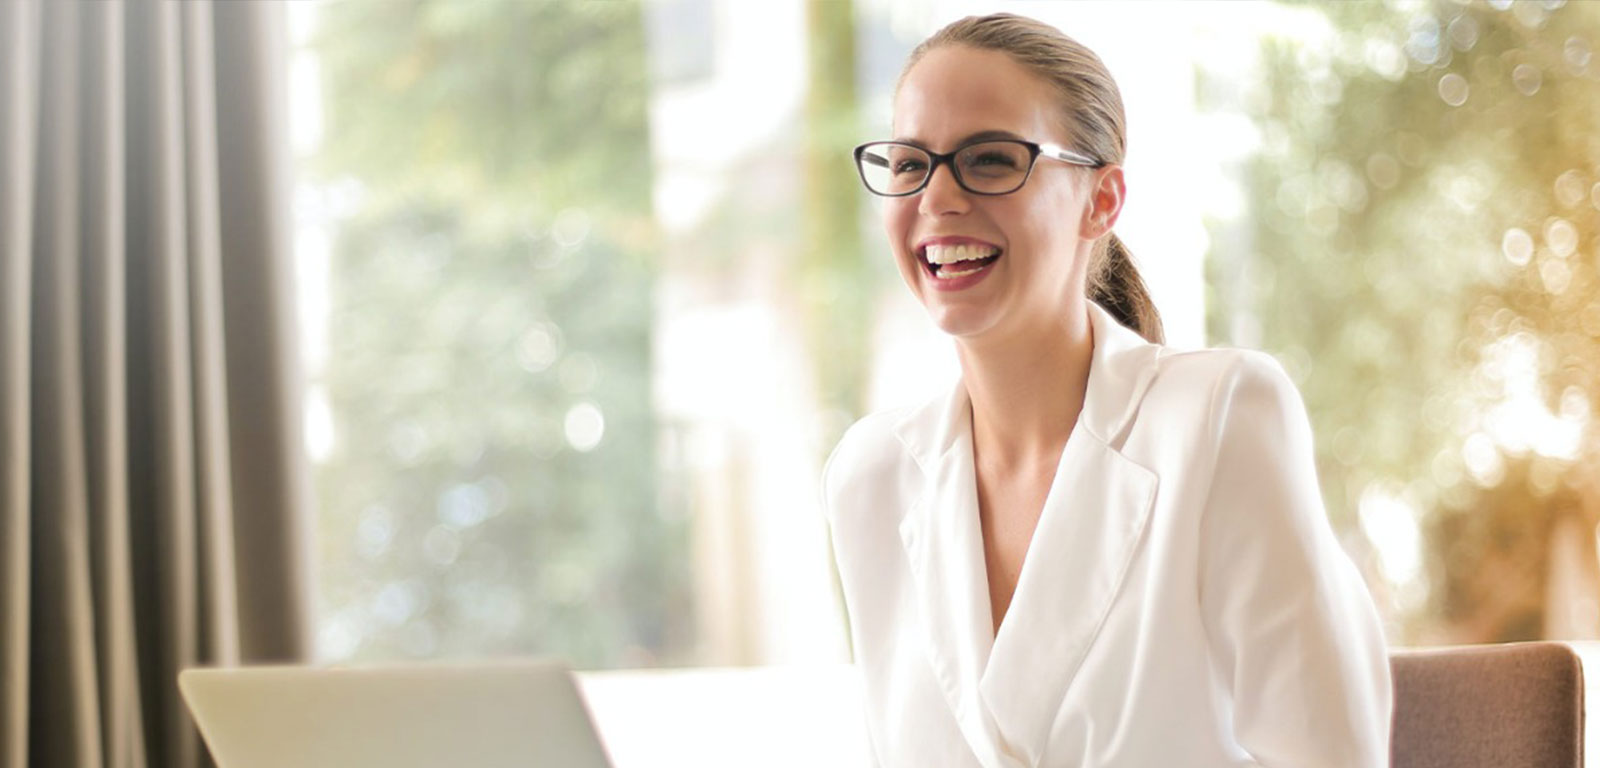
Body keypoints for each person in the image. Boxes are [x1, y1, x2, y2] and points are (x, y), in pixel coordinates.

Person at [822, 13, 1391, 768]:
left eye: (990, 160)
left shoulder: (1219, 419)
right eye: (907, 165)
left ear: (1102, 200)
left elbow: (1331, 757)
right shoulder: (871, 475)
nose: (939, 197)